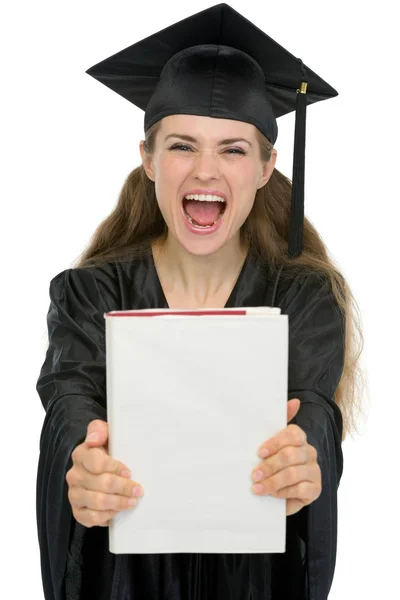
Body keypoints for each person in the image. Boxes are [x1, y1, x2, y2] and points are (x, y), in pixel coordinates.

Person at [36, 3, 364, 599]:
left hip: (254, 581)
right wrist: (82, 466)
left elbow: (314, 411)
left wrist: (304, 460)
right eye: (183, 145)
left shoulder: (304, 298)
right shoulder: (90, 293)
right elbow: (69, 405)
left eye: (235, 150)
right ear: (149, 159)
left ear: (267, 168)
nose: (205, 170)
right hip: (125, 580)